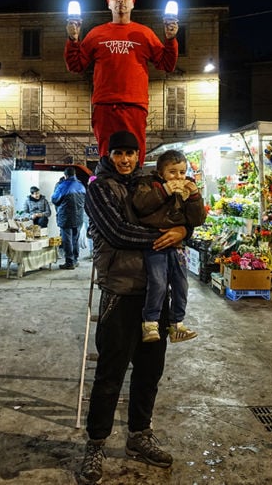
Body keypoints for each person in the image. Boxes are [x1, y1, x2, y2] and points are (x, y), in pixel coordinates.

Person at [80, 130, 188, 484]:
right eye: (119, 153)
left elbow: (183, 215)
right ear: (109, 154)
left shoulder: (149, 182)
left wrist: (185, 230)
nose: (125, 159)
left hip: (156, 296)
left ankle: (140, 435)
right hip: (121, 292)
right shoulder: (99, 188)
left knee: (149, 372)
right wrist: (168, 238)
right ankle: (95, 443)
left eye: (131, 153)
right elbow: (117, 233)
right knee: (110, 375)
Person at [64, 0, 179, 166]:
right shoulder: (96, 34)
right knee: (107, 153)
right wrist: (73, 39)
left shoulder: (144, 33)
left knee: (135, 153)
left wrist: (170, 39)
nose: (120, 0)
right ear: (108, 3)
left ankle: (134, 190)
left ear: (133, 2)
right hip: (105, 106)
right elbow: (75, 65)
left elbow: (167, 64)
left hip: (135, 105)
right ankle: (107, 191)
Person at [132, 149, 207, 343]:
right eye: (172, 172)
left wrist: (195, 197)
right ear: (160, 172)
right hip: (155, 244)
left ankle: (177, 324)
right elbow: (141, 206)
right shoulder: (149, 185)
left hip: (178, 245)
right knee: (158, 282)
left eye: (182, 172)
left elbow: (197, 219)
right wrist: (164, 191)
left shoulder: (187, 189)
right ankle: (150, 323)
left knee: (181, 283)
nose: (178, 177)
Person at [51, 167, 86, 269]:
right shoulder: (81, 185)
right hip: (79, 216)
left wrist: (58, 185)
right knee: (75, 239)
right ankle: (75, 259)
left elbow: (54, 199)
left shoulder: (63, 185)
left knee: (67, 240)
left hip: (66, 217)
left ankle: (69, 262)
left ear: (65, 175)